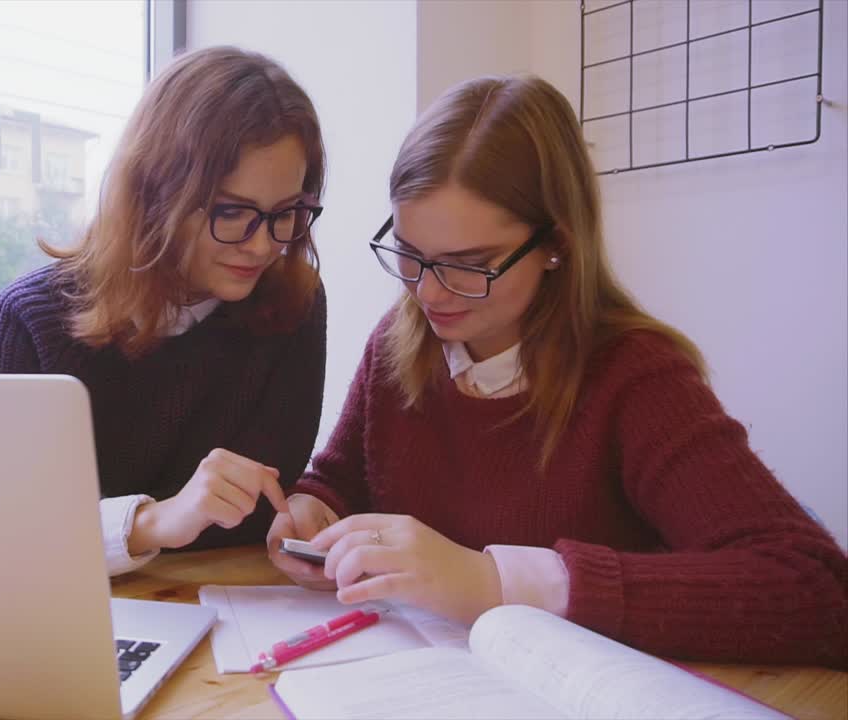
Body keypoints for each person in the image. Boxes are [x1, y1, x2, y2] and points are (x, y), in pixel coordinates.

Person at [268, 74, 847, 667]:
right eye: (412, 255)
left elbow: (818, 590)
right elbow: (341, 478)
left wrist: (502, 582)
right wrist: (316, 512)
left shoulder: (637, 377)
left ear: (556, 245)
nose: (429, 293)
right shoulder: (399, 344)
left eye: (470, 264)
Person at [0, 47, 328, 576]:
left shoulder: (293, 306)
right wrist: (151, 522)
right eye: (232, 212)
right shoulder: (29, 320)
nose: (261, 246)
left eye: (285, 214)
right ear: (155, 192)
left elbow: (255, 517)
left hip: (234, 605)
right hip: (68, 617)